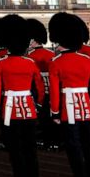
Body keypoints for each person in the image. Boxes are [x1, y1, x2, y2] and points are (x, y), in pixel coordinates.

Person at [48, 13, 90, 177]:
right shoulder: (87, 60)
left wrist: (55, 112)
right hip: (88, 110)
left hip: (67, 111)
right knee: (89, 149)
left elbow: (55, 91)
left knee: (74, 149)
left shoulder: (56, 62)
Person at [0, 15, 44, 177]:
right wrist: (37, 104)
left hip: (9, 111)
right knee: (30, 150)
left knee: (16, 152)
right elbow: (40, 88)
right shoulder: (30, 63)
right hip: (29, 110)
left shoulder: (0, 63)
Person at [26, 19, 57, 150]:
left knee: (43, 117)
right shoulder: (52, 54)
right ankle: (55, 141)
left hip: (38, 89)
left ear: (33, 40)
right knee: (53, 115)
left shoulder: (30, 56)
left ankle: (47, 140)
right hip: (52, 87)